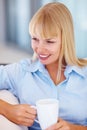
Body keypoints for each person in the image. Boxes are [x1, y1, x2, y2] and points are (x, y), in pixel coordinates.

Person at [0, 2, 87, 130]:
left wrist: (72, 128)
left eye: (49, 41)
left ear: (66, 40)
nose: (39, 49)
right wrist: (7, 109)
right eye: (35, 39)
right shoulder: (21, 72)